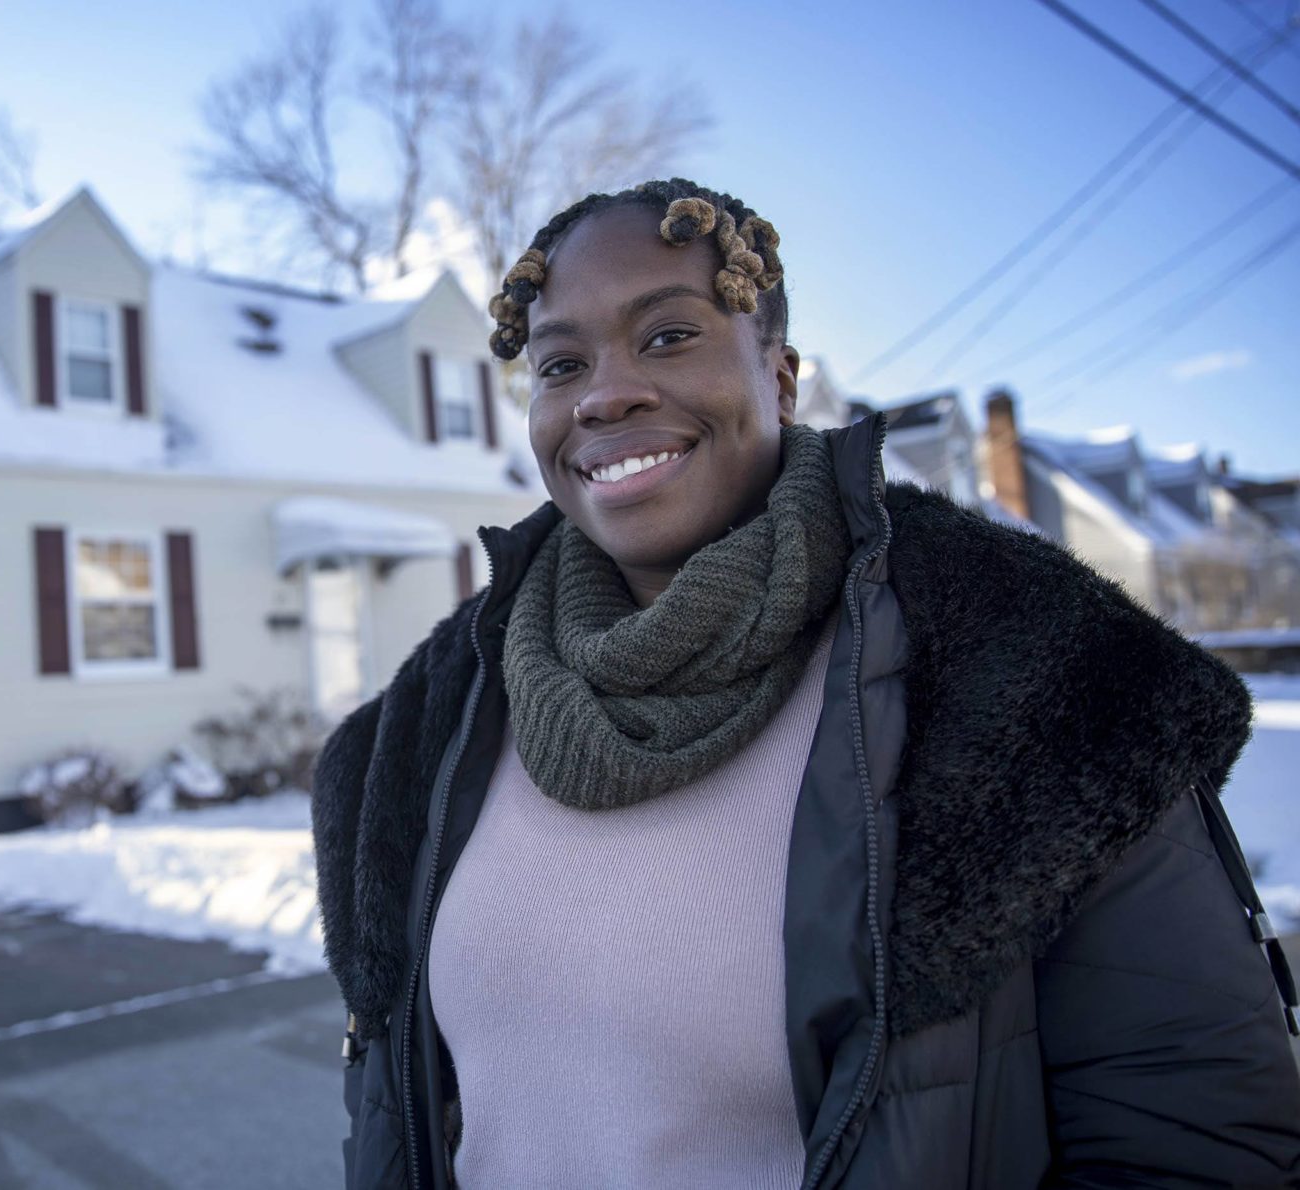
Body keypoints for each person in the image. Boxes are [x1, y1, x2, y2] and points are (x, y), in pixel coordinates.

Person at [310, 177, 1300, 1190]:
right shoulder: (427, 729)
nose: (604, 393)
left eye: (666, 337)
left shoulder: (1041, 680)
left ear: (780, 378)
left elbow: (1200, 1143)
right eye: (562, 363)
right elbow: (395, 1114)